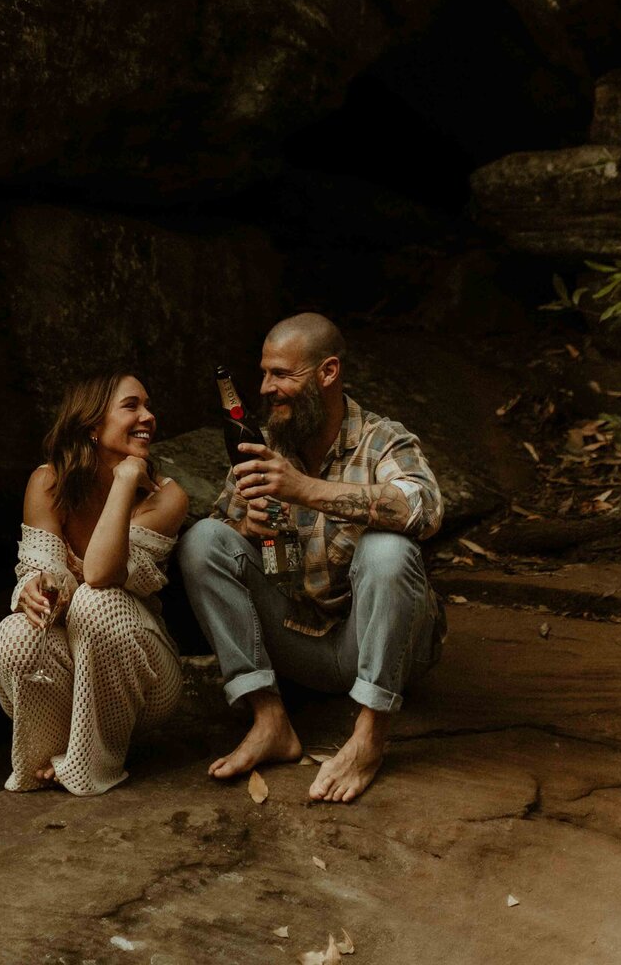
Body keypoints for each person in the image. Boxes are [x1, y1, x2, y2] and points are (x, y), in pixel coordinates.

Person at [179, 312, 445, 803]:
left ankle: (369, 735)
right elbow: (222, 539)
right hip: (304, 642)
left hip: (383, 646)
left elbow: (424, 511)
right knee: (203, 539)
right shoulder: (264, 445)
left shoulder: (382, 439)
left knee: (389, 550)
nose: (265, 388)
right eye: (264, 373)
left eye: (282, 374)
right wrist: (246, 527)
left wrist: (304, 489)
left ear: (327, 373)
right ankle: (270, 720)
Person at [0, 371, 189, 795]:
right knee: (15, 635)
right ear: (93, 425)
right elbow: (42, 570)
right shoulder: (48, 482)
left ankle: (89, 764)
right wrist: (35, 588)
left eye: (148, 406)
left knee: (97, 602)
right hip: (73, 674)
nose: (148, 416)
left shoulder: (167, 496)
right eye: (132, 406)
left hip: (146, 679)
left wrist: (125, 479)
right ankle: (46, 759)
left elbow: (99, 573)